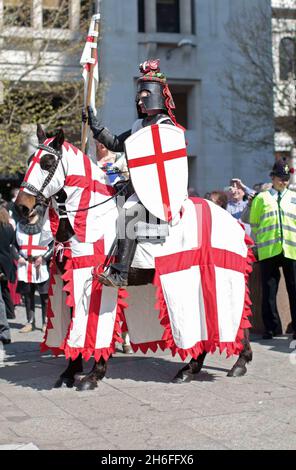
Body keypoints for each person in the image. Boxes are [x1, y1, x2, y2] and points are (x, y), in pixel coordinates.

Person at [86, 59, 181, 288]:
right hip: (140, 188)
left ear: (157, 94)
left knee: (128, 213)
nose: (139, 99)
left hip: (158, 192)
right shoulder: (140, 125)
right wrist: (95, 126)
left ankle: (121, 273)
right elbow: (117, 143)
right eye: (139, 95)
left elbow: (163, 164)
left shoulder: (166, 126)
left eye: (145, 94)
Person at [249, 159, 296, 340]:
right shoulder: (261, 198)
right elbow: (254, 224)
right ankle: (271, 328)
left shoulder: (293, 197)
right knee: (269, 292)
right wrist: (260, 243)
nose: (283, 182)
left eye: (286, 178)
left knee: (294, 290)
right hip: (268, 251)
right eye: (280, 178)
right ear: (272, 177)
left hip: (291, 250)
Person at [15, 205, 54, 333]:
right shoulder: (19, 225)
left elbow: (53, 245)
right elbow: (13, 245)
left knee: (44, 296)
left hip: (41, 265)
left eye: (30, 209)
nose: (27, 212)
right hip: (25, 265)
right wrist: (17, 257)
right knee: (28, 296)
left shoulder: (45, 225)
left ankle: (45, 322)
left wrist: (44, 258)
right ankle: (30, 322)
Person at [0, 207, 16, 321]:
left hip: (0, 260)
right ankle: (10, 312)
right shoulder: (10, 227)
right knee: (5, 289)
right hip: (7, 260)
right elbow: (12, 243)